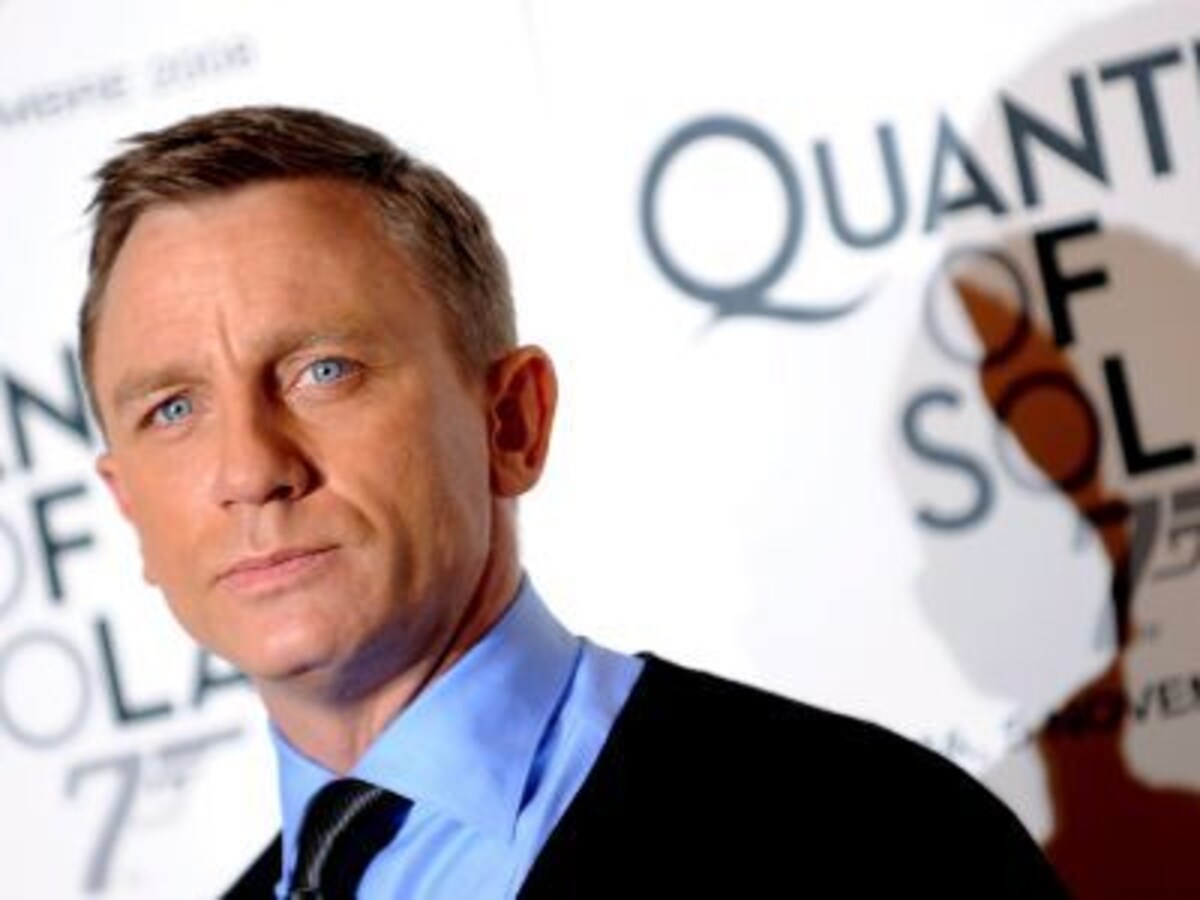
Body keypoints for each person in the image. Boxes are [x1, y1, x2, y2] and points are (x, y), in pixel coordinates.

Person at [79, 105, 1064, 898]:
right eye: (173, 409)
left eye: (324, 370)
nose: (252, 469)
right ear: (127, 507)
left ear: (511, 422)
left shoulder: (865, 839)